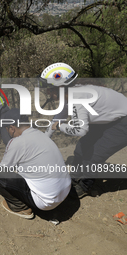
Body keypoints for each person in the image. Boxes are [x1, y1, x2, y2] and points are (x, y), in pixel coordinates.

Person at [39, 62, 127, 198]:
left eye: (49, 88)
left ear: (61, 87)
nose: (47, 92)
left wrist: (60, 127)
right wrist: (44, 140)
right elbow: (59, 117)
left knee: (94, 155)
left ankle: (85, 186)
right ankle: (73, 179)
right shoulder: (71, 94)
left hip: (123, 121)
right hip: (111, 119)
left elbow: (80, 130)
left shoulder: (78, 98)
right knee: (81, 148)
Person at [0, 109, 71, 219]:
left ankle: (20, 207)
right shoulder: (40, 134)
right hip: (65, 191)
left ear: (12, 128)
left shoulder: (16, 142)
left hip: (47, 202)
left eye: (7, 130)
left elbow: (2, 170)